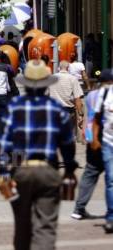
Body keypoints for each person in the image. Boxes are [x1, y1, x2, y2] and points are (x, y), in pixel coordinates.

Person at [0, 60, 78, 250]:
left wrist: (3, 172)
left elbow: (4, 143)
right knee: (46, 227)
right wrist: (69, 169)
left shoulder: (14, 106)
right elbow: (67, 143)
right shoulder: (56, 108)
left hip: (21, 171)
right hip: (48, 171)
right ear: (46, 84)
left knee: (22, 225)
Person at [71, 69, 112, 220]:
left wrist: (88, 137)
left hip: (93, 137)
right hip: (106, 136)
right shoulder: (107, 95)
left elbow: (90, 119)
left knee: (90, 173)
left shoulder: (91, 96)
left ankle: (79, 208)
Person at [92, 68, 113, 233]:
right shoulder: (104, 95)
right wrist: (95, 138)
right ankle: (111, 217)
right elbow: (96, 118)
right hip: (108, 143)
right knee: (111, 180)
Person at [49, 60, 84, 133]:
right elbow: (77, 98)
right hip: (68, 112)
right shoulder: (73, 79)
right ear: (68, 68)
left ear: (59, 68)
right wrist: (80, 114)